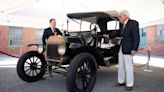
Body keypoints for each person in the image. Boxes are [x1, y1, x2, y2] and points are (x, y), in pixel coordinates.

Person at [116, 10, 140, 91]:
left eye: (120, 16)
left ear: (125, 16)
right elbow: (119, 34)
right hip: (122, 47)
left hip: (129, 48)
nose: (119, 18)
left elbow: (136, 37)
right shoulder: (122, 25)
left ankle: (129, 84)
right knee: (121, 66)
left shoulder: (133, 23)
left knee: (128, 67)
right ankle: (121, 81)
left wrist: (134, 49)